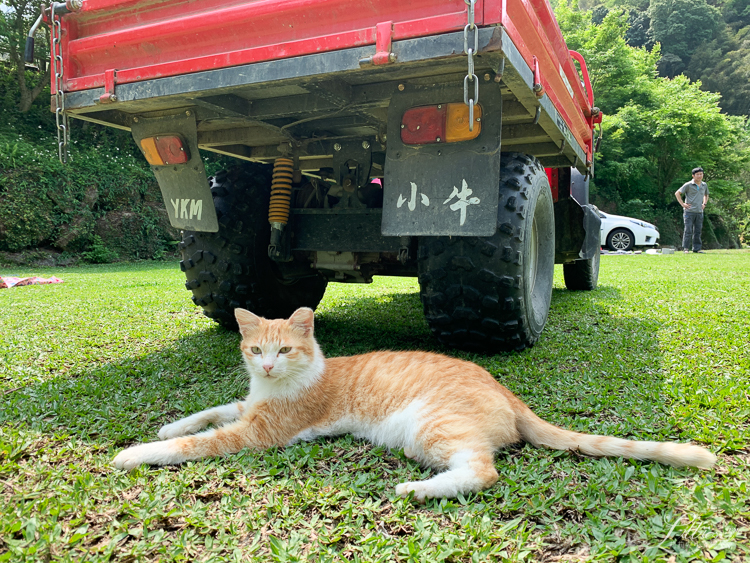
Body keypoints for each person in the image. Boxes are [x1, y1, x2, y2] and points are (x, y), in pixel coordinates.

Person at [675, 167, 710, 253]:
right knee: (688, 230)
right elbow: (677, 193)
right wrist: (683, 204)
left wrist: (704, 203)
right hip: (689, 211)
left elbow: (706, 194)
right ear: (693, 175)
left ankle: (696, 249)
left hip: (699, 211)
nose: (699, 176)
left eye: (701, 174)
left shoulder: (704, 185)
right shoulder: (688, 185)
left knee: (698, 231)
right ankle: (686, 248)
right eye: (697, 174)